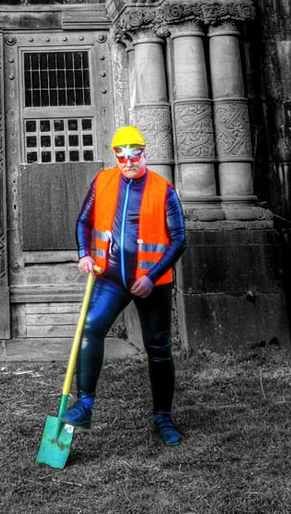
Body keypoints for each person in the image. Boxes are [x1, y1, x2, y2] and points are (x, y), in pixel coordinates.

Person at [61, 125, 187, 446]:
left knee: (158, 349)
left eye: (135, 155)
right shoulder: (102, 182)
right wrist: (84, 255)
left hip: (151, 283)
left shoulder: (164, 190)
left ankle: (163, 417)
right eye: (122, 156)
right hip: (111, 277)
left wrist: (151, 276)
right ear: (115, 156)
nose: (129, 162)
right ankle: (84, 404)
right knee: (91, 328)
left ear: (145, 154)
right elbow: (83, 221)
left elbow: (179, 240)